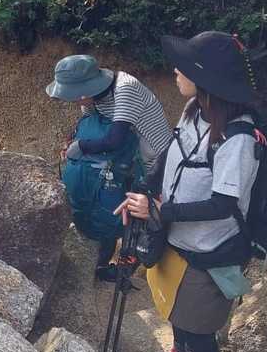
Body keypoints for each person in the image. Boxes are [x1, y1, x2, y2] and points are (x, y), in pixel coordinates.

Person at [116, 31, 262, 352]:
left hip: (212, 247)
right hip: (182, 237)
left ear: (206, 77)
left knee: (198, 325)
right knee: (179, 312)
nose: (175, 71)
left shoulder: (238, 139)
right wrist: (144, 189)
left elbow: (223, 204)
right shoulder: (195, 109)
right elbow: (172, 151)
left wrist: (160, 211)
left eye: (184, 67)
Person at [46, 54, 173, 281]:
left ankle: (128, 268)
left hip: (156, 159)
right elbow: (89, 127)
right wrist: (71, 143)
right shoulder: (93, 98)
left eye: (74, 96)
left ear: (84, 91)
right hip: (128, 156)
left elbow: (113, 139)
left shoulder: (125, 89)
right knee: (109, 202)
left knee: (139, 213)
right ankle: (103, 263)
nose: (74, 102)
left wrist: (81, 147)